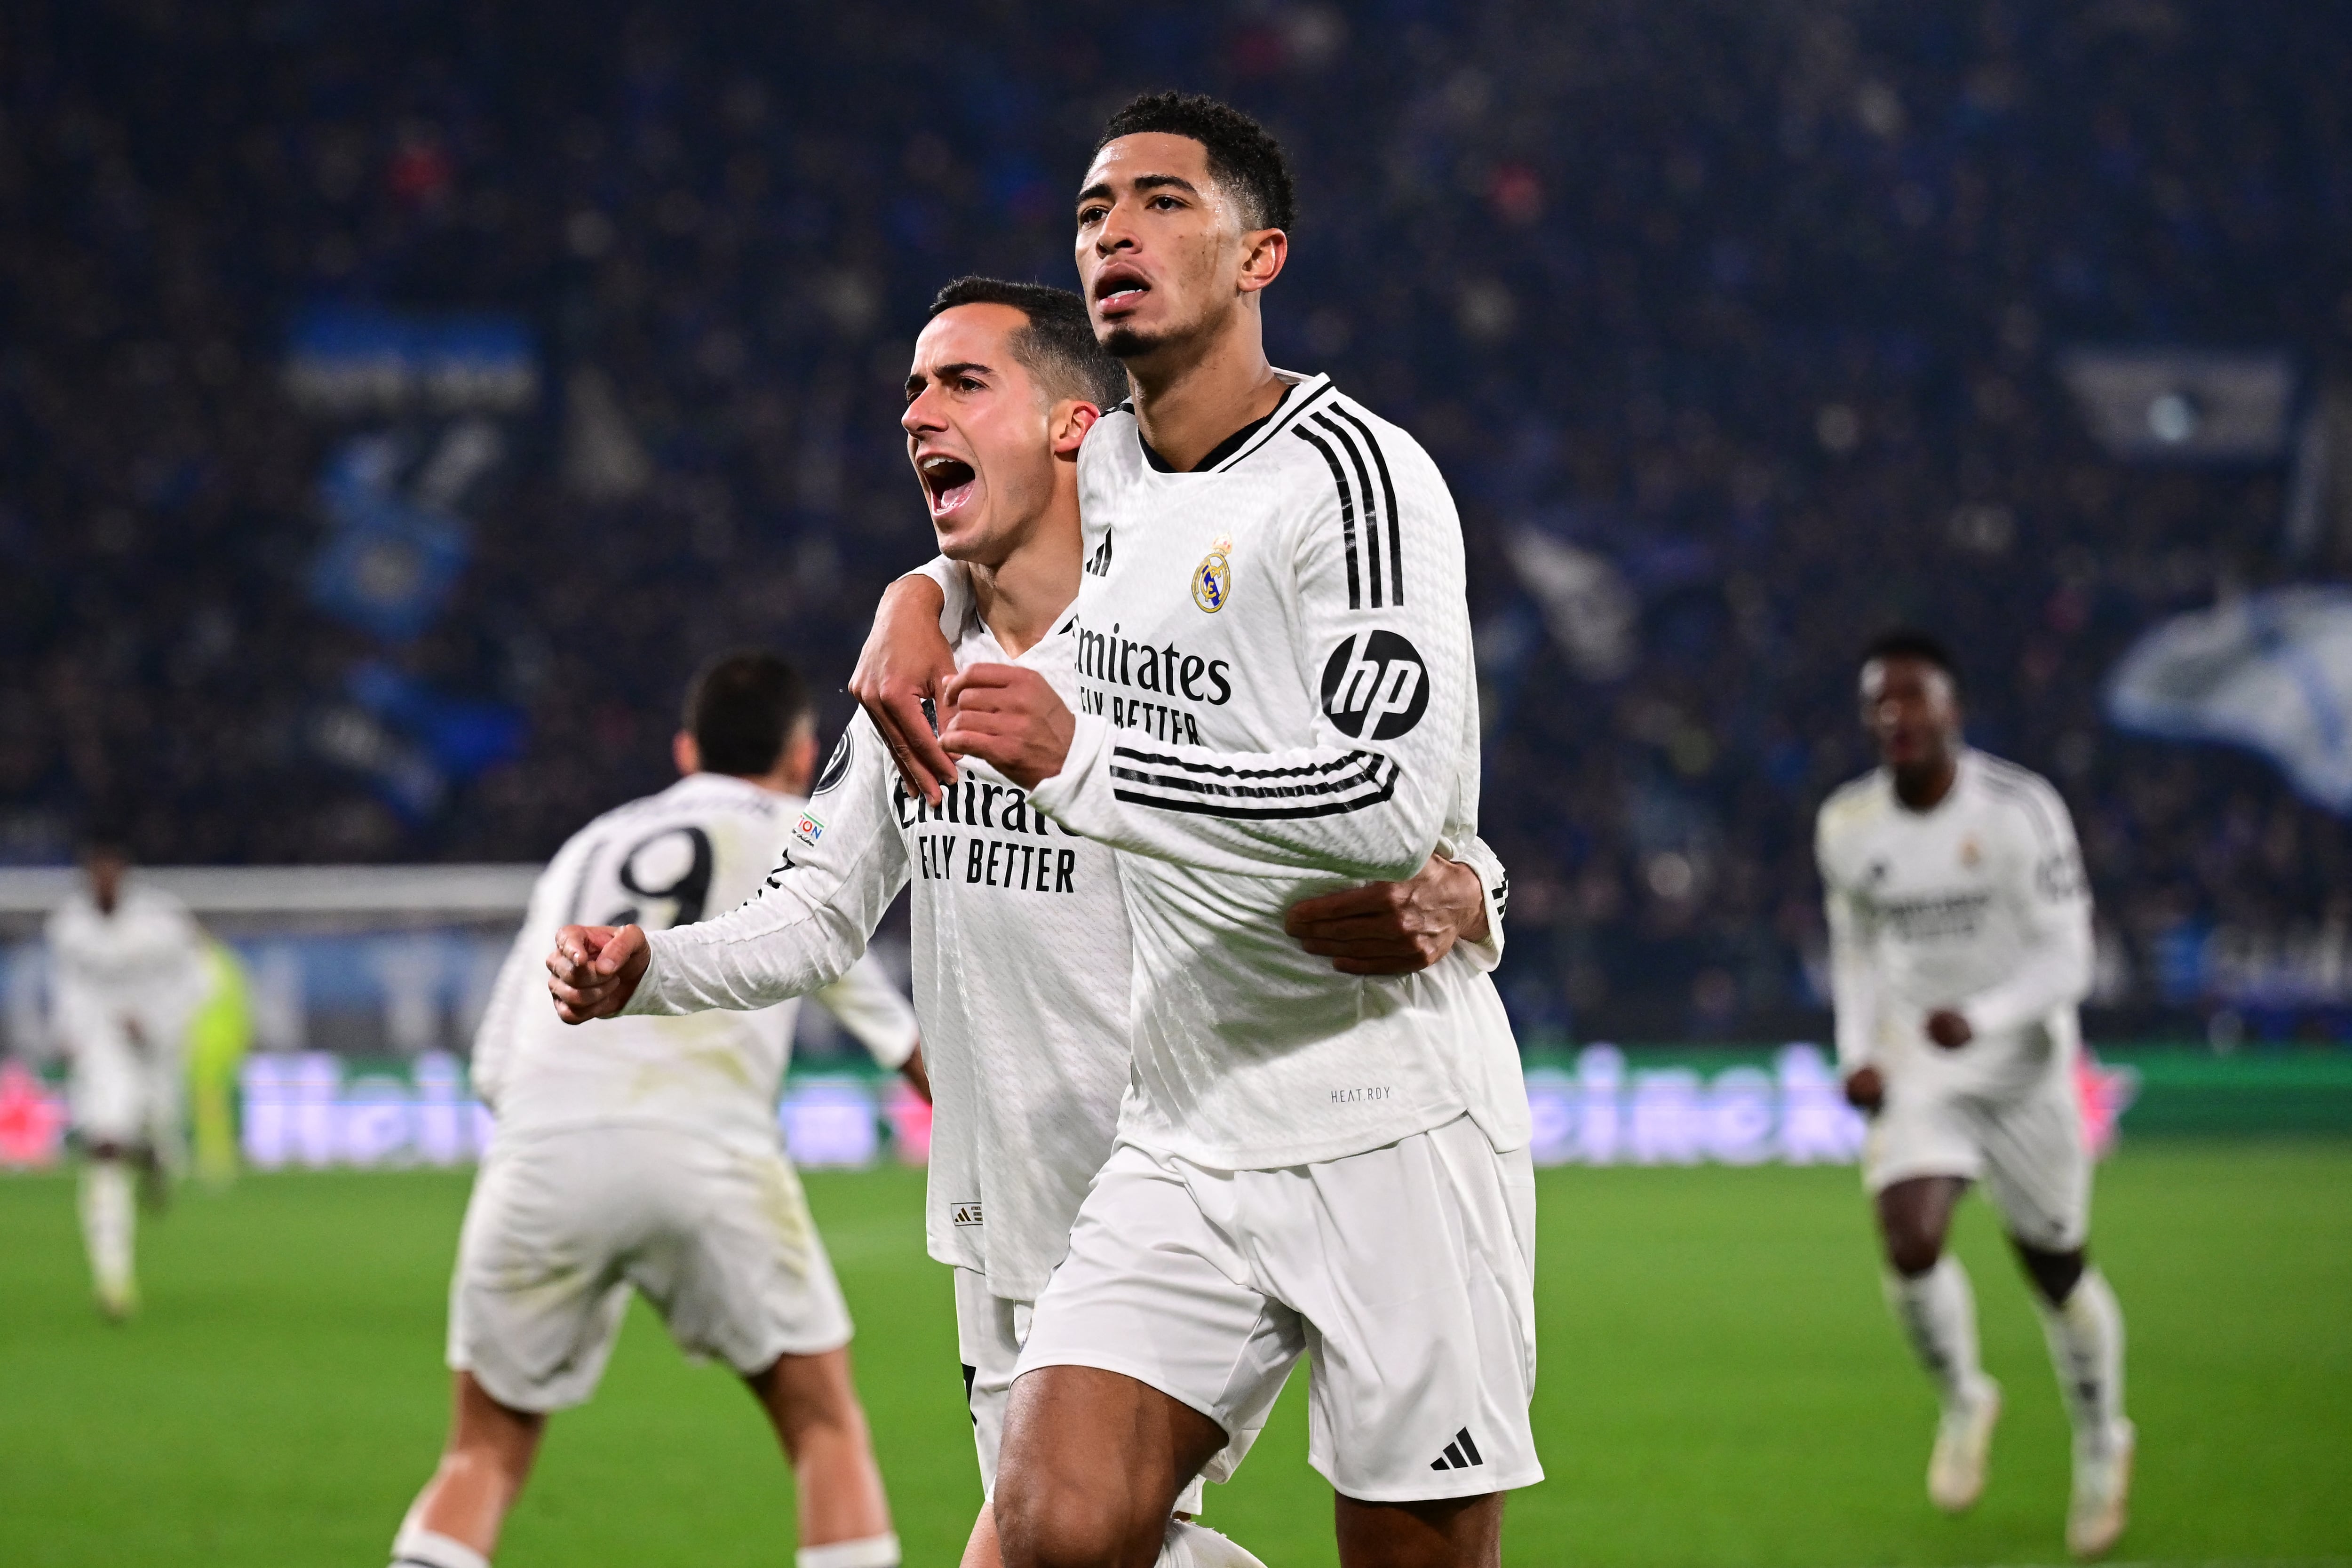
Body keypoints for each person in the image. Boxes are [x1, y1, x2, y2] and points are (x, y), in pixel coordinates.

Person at [547, 276, 1510, 1568]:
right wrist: (650, 965)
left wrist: (1474, 886)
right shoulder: (921, 677)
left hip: (1196, 1168)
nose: (917, 412)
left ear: (1073, 427)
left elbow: (1356, 801)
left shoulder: (1168, 643)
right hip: (1013, 1213)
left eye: (962, 382)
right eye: (911, 390)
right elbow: (816, 913)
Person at [856, 93, 1537, 1568]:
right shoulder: (1099, 472)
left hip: (1387, 1115)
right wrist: (913, 599)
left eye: (1162, 202)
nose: (1115, 232)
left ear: (1257, 254)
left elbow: (1383, 802)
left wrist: (1085, 757)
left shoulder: (1353, 478)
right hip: (1184, 1126)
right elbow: (977, 537)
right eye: (1094, 211)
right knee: (1049, 1529)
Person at [388, 653, 925, 1568]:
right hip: (709, 1153)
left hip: (541, 1154)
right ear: (804, 757)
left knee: (482, 1449)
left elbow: (491, 1063)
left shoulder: (588, 845)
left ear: (685, 751)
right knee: (823, 1427)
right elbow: (891, 1026)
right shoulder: (800, 835)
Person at [1814, 629, 2132, 1560]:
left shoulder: (2019, 810)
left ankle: (2102, 1440)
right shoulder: (1847, 824)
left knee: (2056, 1267)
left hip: (2025, 1067)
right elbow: (1854, 951)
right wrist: (1858, 1052)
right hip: (1921, 1062)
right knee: (1909, 1238)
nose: (1894, 715)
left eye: (1912, 697)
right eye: (1879, 701)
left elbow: (2071, 959)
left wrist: (1985, 1016)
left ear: (1952, 709)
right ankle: (1964, 1397)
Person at [44, 828, 212, 1318]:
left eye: (110, 868)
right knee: (105, 1146)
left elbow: (201, 977)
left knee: (156, 1133)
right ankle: (113, 1279)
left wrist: (160, 1023)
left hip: (158, 1048)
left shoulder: (162, 921)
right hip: (102, 1047)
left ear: (124, 871)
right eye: (94, 869)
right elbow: (68, 987)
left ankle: (154, 1156)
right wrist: (68, 1033)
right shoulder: (68, 926)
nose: (102, 878)